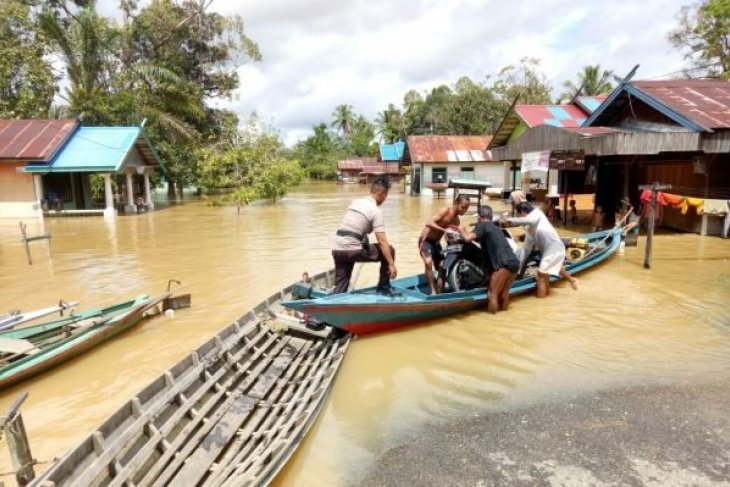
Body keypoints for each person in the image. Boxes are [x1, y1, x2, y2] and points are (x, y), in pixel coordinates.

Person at [332, 177, 397, 295]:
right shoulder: (376, 211)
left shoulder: (355, 202)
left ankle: (333, 303)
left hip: (337, 249)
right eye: (385, 196)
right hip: (353, 250)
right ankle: (384, 287)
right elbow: (382, 241)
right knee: (390, 250)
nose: (385, 199)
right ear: (381, 193)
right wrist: (391, 265)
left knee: (341, 286)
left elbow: (357, 226)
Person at [506, 202, 578, 298]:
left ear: (522, 212)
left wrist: (509, 220)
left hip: (555, 248)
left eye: (519, 214)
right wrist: (518, 272)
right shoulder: (529, 229)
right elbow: (526, 251)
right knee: (545, 275)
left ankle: (541, 303)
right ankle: (546, 298)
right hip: (549, 251)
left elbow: (528, 220)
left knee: (541, 275)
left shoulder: (537, 214)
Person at [461, 205, 520, 313]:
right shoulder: (496, 228)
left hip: (503, 264)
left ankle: (493, 320)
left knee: (492, 295)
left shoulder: (483, 225)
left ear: (479, 217)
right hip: (514, 262)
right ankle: (504, 319)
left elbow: (468, 239)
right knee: (504, 293)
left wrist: (461, 230)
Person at [418, 194, 471, 294]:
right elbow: (428, 223)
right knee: (428, 262)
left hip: (436, 244)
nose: (464, 210)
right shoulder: (445, 210)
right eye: (462, 207)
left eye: (466, 209)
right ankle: (432, 290)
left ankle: (440, 290)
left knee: (443, 266)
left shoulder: (456, 220)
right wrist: (444, 230)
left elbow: (458, 233)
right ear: (456, 203)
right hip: (426, 241)